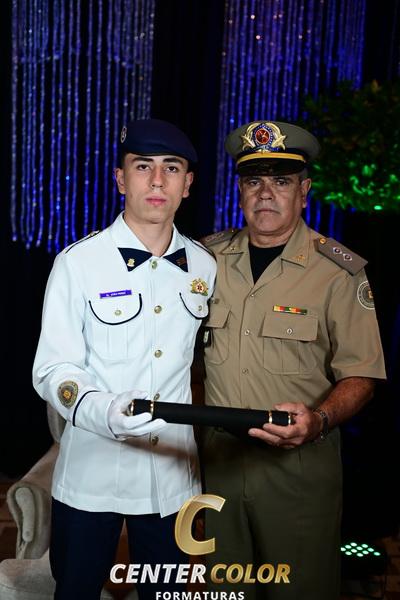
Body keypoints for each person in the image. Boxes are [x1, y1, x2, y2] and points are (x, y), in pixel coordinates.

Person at [201, 120, 386, 600]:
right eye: (253, 181)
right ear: (240, 190)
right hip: (217, 465)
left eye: (281, 181)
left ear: (304, 192)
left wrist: (319, 420)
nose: (266, 193)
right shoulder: (204, 261)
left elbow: (362, 375)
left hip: (298, 469)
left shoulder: (338, 272)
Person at [33, 118, 216, 600]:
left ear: (187, 184)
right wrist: (103, 410)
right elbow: (53, 369)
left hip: (171, 481)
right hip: (92, 475)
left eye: (171, 168)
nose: (157, 180)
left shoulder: (204, 266)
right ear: (120, 179)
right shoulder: (78, 263)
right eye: (142, 166)